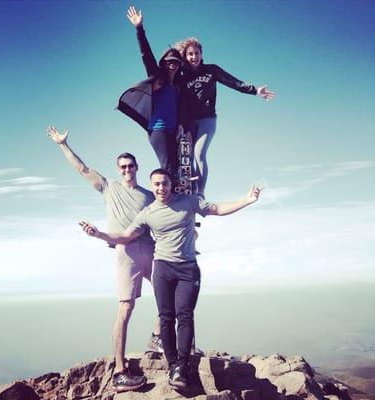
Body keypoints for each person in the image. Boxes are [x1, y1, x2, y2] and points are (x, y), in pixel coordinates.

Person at [79, 168, 261, 390]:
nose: (160, 188)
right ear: (152, 186)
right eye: (156, 184)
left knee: (185, 315)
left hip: (187, 269)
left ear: (170, 184)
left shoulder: (188, 202)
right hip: (163, 268)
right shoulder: (148, 212)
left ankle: (181, 367)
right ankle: (173, 365)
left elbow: (218, 209)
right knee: (166, 318)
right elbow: (125, 237)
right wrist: (98, 234)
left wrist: (247, 200)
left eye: (164, 183)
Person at [47, 126, 162, 393]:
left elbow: (161, 220)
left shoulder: (148, 195)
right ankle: (120, 371)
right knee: (125, 309)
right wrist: (63, 145)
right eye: (122, 166)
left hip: (151, 249)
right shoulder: (108, 187)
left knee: (169, 293)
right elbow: (83, 170)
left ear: (137, 167)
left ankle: (157, 338)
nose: (126, 170)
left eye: (130, 166)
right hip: (127, 253)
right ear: (117, 169)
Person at [174, 37, 275, 196]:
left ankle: (200, 193)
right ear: (185, 56)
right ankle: (190, 191)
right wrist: (180, 123)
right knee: (187, 156)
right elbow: (179, 102)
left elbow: (233, 82)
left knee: (199, 154)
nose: (194, 57)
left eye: (197, 53)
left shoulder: (211, 70)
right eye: (190, 54)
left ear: (201, 54)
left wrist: (255, 90)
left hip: (207, 119)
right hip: (189, 121)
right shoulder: (181, 76)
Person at [117, 6, 183, 182]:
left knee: (177, 167)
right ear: (163, 63)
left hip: (172, 130)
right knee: (167, 166)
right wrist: (139, 28)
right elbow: (145, 53)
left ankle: (177, 196)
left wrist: (180, 126)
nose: (172, 65)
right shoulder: (157, 78)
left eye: (176, 62)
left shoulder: (177, 85)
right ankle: (167, 200)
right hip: (158, 130)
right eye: (169, 62)